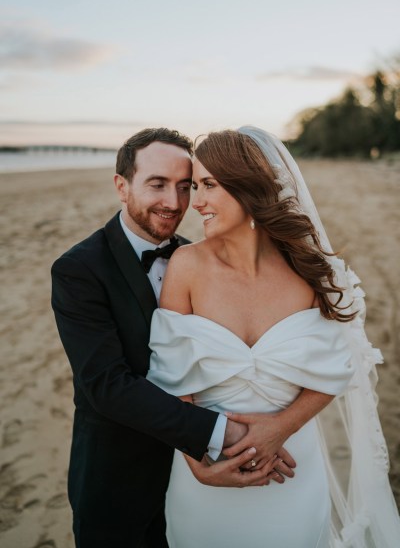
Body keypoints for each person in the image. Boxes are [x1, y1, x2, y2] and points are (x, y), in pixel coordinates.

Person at [147, 126, 400, 548]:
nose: (197, 202)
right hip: (204, 476)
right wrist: (197, 463)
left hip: (290, 468)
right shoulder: (186, 265)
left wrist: (280, 428)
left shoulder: (308, 270)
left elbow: (336, 370)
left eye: (209, 185)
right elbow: (173, 379)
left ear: (251, 188)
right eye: (195, 186)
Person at [51, 127, 302, 548]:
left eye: (185, 187)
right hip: (120, 476)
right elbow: (106, 385)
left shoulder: (196, 258)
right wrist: (220, 436)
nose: (174, 202)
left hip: (204, 483)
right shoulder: (78, 269)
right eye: (157, 184)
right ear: (121, 185)